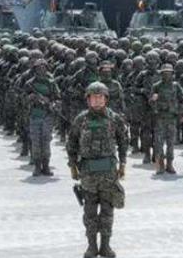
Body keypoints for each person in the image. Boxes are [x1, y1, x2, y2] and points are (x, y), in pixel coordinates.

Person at [67, 82, 128, 258]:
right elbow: (71, 143)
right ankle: (92, 246)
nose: (97, 100)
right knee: (90, 212)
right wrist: (72, 165)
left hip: (108, 172)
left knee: (108, 211)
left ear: (106, 99)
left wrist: (123, 163)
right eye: (93, 97)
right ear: (88, 99)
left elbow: (123, 141)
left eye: (100, 97)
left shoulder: (114, 118)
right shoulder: (81, 120)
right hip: (88, 174)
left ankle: (106, 246)